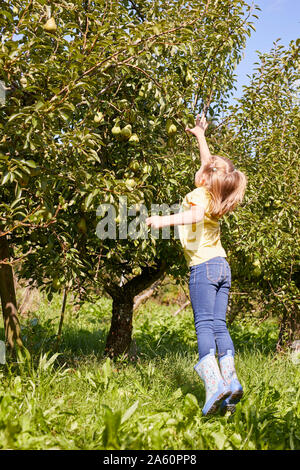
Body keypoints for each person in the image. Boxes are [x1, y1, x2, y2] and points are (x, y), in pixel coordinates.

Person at [146, 112, 247, 416]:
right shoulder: (217, 194)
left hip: (202, 268)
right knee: (219, 324)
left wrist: (162, 220)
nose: (201, 168)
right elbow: (209, 166)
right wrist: (201, 136)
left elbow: (191, 216)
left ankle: (213, 385)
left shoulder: (198, 195)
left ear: (205, 177)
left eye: (203, 168)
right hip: (222, 267)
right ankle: (231, 382)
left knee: (203, 324)